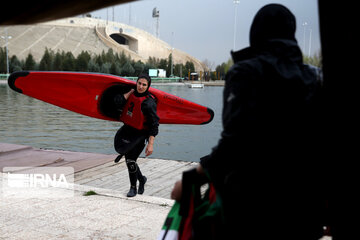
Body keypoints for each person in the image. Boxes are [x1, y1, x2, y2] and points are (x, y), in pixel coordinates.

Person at [171, 4, 324, 239]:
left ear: (256, 32)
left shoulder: (246, 73)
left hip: (248, 210)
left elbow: (235, 143)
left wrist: (192, 179)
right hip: (302, 213)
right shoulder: (314, 78)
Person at [114, 74, 159, 197]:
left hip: (140, 134)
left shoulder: (148, 103)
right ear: (136, 83)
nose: (141, 86)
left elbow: (154, 125)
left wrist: (150, 144)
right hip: (127, 130)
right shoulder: (131, 94)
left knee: (130, 160)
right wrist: (129, 93)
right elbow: (117, 102)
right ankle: (142, 179)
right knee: (130, 160)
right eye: (139, 83)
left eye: (144, 85)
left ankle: (133, 188)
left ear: (148, 86)